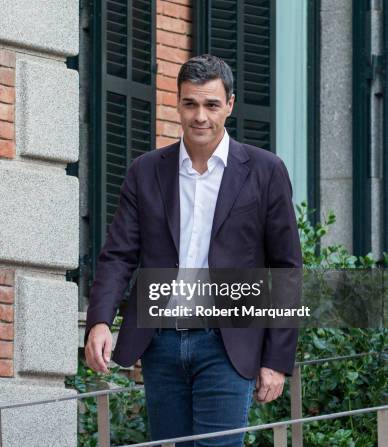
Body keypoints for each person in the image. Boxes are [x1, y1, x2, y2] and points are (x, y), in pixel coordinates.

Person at [84, 54, 302, 446]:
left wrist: (276, 360)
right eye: (191, 104)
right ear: (179, 103)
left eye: (211, 105)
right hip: (162, 344)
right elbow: (119, 254)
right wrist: (100, 320)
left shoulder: (265, 171)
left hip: (227, 344)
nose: (200, 116)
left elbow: (286, 269)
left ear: (229, 105)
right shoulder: (146, 171)